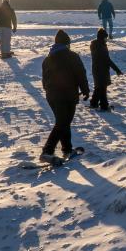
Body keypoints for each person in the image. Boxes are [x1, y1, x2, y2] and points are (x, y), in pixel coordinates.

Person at [40, 29, 89, 163]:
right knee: (63, 122)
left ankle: (67, 149)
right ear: (67, 43)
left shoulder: (47, 59)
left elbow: (44, 80)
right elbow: (81, 74)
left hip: (52, 96)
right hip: (67, 95)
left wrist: (49, 91)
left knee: (63, 122)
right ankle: (47, 151)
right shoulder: (72, 56)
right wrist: (85, 90)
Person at [89, 28, 123, 110]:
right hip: (101, 70)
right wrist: (117, 69)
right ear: (102, 37)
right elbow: (107, 60)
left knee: (98, 87)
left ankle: (94, 103)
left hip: (97, 69)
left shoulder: (96, 44)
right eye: (105, 38)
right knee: (102, 88)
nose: (106, 39)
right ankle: (104, 106)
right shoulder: (101, 46)